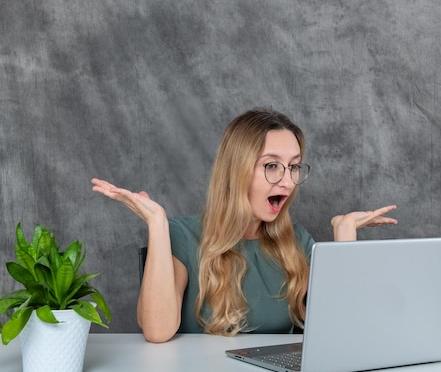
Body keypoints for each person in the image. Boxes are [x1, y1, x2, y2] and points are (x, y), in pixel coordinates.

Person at [92, 108, 397, 343]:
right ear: (236, 171)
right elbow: (157, 332)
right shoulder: (182, 236)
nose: (288, 181)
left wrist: (345, 238)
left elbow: (343, 334)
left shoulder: (298, 243)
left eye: (293, 166)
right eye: (272, 166)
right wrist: (156, 224)